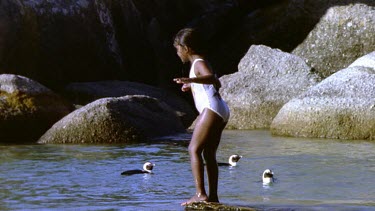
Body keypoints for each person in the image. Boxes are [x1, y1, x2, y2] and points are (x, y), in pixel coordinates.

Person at [173, 28, 230, 206]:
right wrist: (193, 86)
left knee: (193, 149)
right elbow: (216, 82)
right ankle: (212, 196)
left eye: (177, 49)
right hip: (220, 109)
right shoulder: (199, 63)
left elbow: (211, 78)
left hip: (211, 109)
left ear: (186, 48)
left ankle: (200, 194)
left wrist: (190, 81)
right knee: (209, 153)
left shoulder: (198, 63)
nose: (177, 53)